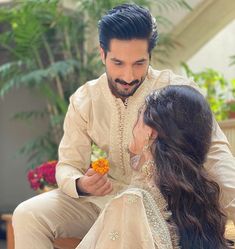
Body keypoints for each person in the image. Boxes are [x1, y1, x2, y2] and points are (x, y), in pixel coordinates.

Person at [12, 3, 235, 249]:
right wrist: (81, 184)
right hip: (101, 199)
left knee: (133, 205)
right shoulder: (84, 99)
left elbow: (215, 155)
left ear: (150, 55)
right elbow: (67, 164)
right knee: (27, 214)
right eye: (118, 63)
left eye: (139, 63)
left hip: (161, 206)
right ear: (102, 53)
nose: (128, 76)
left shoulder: (176, 91)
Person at [76, 85, 230, 249]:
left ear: (151, 131)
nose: (133, 127)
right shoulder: (199, 201)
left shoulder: (131, 202)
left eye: (138, 116)